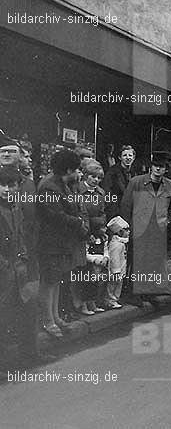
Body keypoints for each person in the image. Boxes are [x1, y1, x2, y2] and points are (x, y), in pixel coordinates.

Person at [36, 149, 89, 337]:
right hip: (51, 244)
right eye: (77, 169)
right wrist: (78, 222)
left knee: (55, 280)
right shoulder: (49, 186)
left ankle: (55, 317)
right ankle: (48, 321)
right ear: (68, 169)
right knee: (49, 282)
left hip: (60, 243)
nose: (79, 173)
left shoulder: (60, 183)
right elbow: (56, 216)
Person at [120, 151, 171, 296]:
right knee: (137, 261)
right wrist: (129, 227)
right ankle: (134, 293)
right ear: (151, 167)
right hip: (139, 229)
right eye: (155, 166)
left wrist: (164, 222)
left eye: (161, 167)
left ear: (165, 169)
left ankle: (149, 292)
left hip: (158, 230)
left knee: (153, 261)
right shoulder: (136, 182)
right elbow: (126, 206)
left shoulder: (170, 185)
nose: (158, 169)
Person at [0, 166, 40, 365]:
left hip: (18, 270)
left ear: (17, 187)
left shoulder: (16, 208)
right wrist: (5, 267)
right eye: (2, 185)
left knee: (29, 310)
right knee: (2, 317)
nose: (6, 189)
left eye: (11, 185)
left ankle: (30, 356)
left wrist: (23, 258)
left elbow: (21, 236)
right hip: (4, 272)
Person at [75, 159, 108, 315]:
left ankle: (92, 301)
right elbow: (81, 214)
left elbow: (102, 213)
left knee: (96, 271)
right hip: (84, 235)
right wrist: (89, 230)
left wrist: (102, 227)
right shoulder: (78, 191)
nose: (96, 180)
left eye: (99, 178)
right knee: (85, 271)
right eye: (93, 176)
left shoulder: (100, 193)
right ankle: (82, 304)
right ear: (85, 176)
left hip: (97, 235)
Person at [102, 145, 136, 220]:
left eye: (130, 155)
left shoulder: (135, 173)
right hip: (117, 212)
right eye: (124, 155)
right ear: (120, 158)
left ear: (133, 158)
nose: (128, 158)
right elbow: (107, 194)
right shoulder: (112, 172)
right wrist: (114, 214)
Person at [104, 216, 128, 309]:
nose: (128, 232)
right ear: (119, 232)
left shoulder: (121, 243)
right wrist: (116, 270)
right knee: (113, 285)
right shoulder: (116, 245)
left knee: (118, 285)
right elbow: (114, 259)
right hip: (116, 270)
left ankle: (115, 299)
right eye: (126, 230)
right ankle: (111, 300)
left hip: (121, 268)